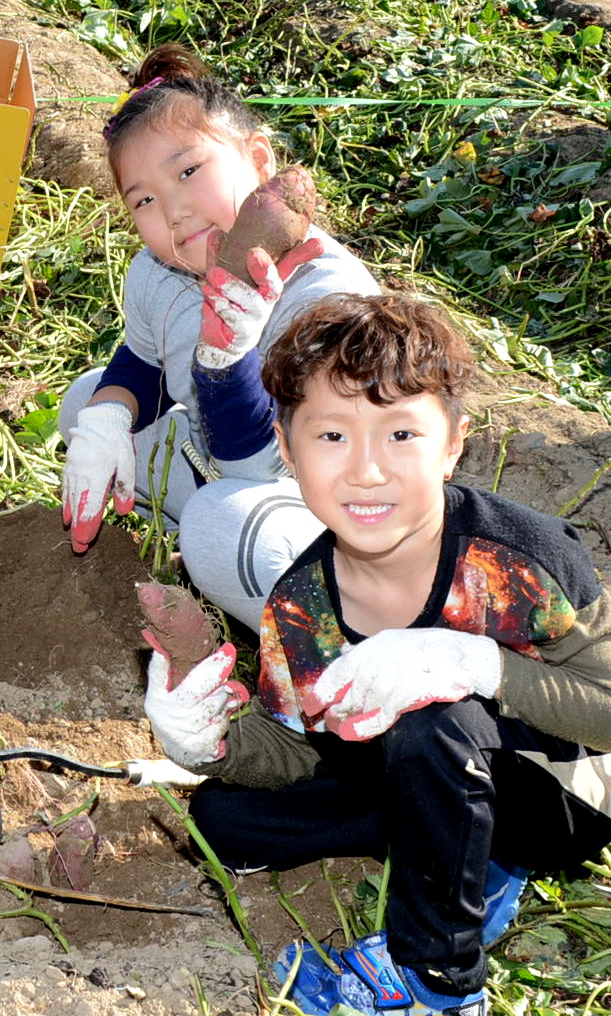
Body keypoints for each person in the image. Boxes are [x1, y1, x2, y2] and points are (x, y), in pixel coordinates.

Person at [142, 293, 611, 1016]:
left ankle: (439, 991)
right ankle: (456, 852)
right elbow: (299, 747)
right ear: (286, 447)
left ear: (452, 445)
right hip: (414, 773)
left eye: (402, 433)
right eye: (332, 435)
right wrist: (205, 739)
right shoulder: (301, 600)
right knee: (223, 819)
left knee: (433, 722)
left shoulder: (518, 556)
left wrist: (473, 663)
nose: (367, 467)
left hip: (569, 788)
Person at [56, 44, 379, 631]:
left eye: (188, 172)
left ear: (258, 161)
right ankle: (207, 557)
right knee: (86, 401)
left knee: (217, 522)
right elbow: (144, 361)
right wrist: (108, 416)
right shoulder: (159, 273)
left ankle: (345, 641)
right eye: (145, 200)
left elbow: (258, 465)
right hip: (221, 462)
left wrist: (227, 355)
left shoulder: (328, 297)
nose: (174, 210)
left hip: (322, 504)